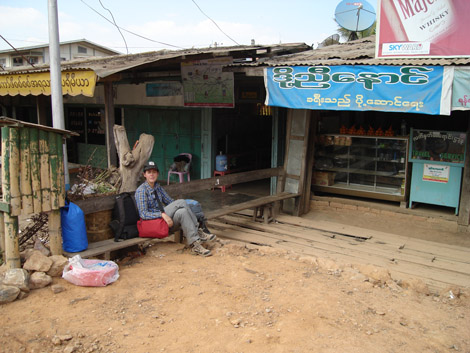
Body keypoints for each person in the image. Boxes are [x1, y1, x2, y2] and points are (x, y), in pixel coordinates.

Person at [135, 161, 216, 256]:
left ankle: (195, 246)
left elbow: (170, 202)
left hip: (163, 222)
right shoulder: (141, 191)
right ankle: (198, 230)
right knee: (181, 202)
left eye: (154, 172)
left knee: (182, 211)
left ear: (158, 174)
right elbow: (143, 214)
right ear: (144, 174)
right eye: (149, 172)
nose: (152, 175)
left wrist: (172, 209)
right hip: (155, 222)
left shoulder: (157, 187)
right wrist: (162, 215)